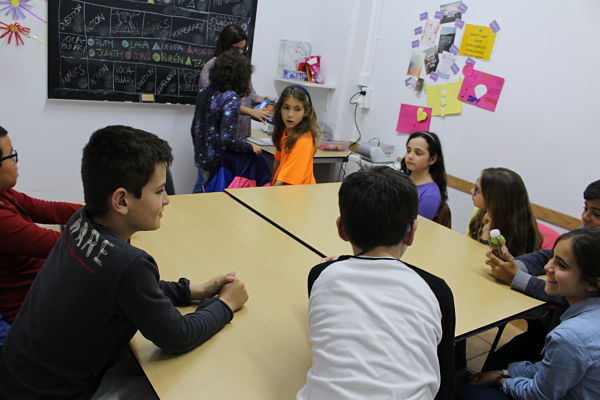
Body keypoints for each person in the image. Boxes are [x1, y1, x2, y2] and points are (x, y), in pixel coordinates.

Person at [0, 125, 249, 398]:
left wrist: (191, 290)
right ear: (121, 201)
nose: (167, 200)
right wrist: (225, 304)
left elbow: (127, 289)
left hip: (18, 377)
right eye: (159, 191)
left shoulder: (80, 221)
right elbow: (177, 336)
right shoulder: (129, 264)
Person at [297, 166, 455, 399]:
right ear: (411, 232)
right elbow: (444, 381)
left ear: (341, 229)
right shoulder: (437, 291)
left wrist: (331, 266)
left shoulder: (320, 275)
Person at [458, 228, 600, 400]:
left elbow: (539, 394)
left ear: (593, 284)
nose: (547, 267)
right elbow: (551, 369)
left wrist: (500, 380)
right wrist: (505, 372)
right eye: (552, 258)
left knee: (467, 394)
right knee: (499, 363)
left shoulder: (569, 337)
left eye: (561, 265)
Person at [480, 179, 600, 369]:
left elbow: (567, 296)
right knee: (496, 362)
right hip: (546, 330)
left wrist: (515, 277)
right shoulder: (587, 233)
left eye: (596, 214)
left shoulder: (571, 336)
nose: (585, 217)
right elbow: (547, 255)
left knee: (500, 367)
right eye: (585, 208)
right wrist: (513, 266)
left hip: (560, 346)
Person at [0, 125, 81, 344]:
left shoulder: (6, 194)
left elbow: (51, 210)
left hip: (46, 286)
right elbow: (59, 244)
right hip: (30, 309)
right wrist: (113, 222)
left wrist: (102, 210)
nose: (16, 161)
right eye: (11, 156)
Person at [191, 49, 262, 193]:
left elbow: (195, 127)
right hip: (218, 161)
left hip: (201, 154)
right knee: (212, 195)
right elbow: (227, 138)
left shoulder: (205, 91)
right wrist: (249, 147)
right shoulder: (231, 98)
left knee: (200, 191)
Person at [200, 24, 273, 137]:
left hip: (241, 133)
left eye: (242, 49)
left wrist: (264, 100)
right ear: (224, 46)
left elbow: (249, 95)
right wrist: (251, 112)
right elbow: (217, 102)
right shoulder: (212, 67)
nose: (239, 53)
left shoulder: (242, 67)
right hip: (218, 135)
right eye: (235, 48)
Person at [468, 167, 541, 257]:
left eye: (477, 190)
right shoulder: (481, 213)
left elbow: (487, 257)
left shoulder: (516, 232)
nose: (471, 191)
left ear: (494, 199)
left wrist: (487, 233)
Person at [271, 85, 320, 185]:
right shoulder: (284, 131)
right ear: (280, 108)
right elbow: (277, 165)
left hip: (296, 192)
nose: (290, 114)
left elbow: (284, 182)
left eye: (297, 109)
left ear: (305, 112)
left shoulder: (303, 141)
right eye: (286, 108)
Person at [400, 131, 448, 220]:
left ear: (432, 159)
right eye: (408, 150)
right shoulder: (400, 178)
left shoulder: (430, 195)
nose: (410, 156)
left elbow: (418, 226)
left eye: (418, 153)